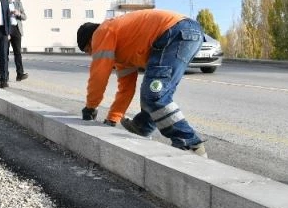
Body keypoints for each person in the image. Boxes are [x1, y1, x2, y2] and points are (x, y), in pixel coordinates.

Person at [77, 9, 207, 157]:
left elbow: (98, 75)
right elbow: (126, 89)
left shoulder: (101, 32)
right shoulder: (123, 52)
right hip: (185, 33)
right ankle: (142, 126)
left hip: (175, 32)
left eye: (89, 50)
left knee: (154, 95)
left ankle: (190, 143)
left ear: (91, 40)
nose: (91, 55)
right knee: (154, 92)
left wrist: (90, 107)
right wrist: (112, 120)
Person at [6, 0, 28, 81]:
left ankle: (20, 74)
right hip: (7, 29)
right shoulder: (4, 3)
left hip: (17, 30)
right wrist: (8, 13)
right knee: (5, 53)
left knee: (18, 53)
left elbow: (25, 17)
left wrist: (18, 13)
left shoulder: (19, 3)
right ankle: (5, 75)